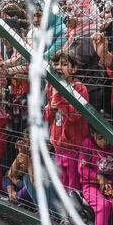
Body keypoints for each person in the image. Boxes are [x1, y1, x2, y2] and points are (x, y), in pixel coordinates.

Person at [44, 51, 89, 191]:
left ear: (74, 69)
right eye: (56, 64)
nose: (59, 67)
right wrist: (50, 109)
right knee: (61, 182)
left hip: (72, 146)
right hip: (58, 145)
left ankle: (74, 211)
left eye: (64, 64)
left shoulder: (80, 88)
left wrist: (58, 99)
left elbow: (75, 116)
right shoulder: (51, 87)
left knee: (73, 184)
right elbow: (47, 117)